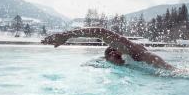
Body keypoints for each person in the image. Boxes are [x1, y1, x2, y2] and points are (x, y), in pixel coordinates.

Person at [42, 27, 175, 70]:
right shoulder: (126, 63)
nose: (115, 56)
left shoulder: (135, 52)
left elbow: (100, 32)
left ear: (118, 49)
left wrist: (65, 35)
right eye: (110, 58)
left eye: (114, 53)